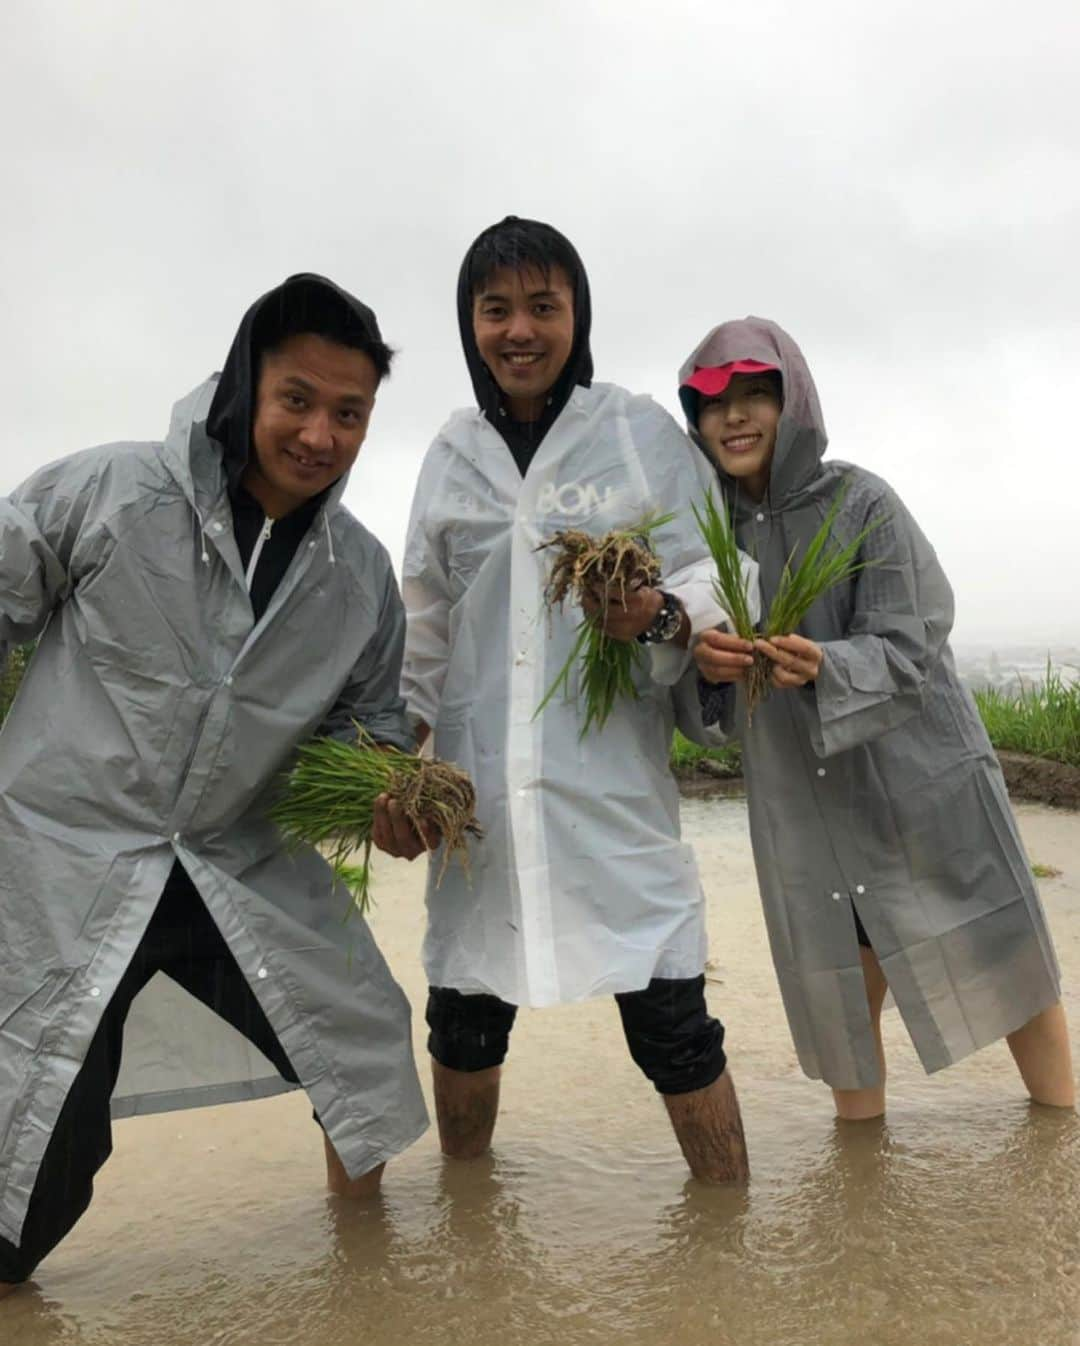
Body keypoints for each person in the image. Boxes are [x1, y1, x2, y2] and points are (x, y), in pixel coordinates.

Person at [0, 274, 429, 1298]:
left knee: (358, 1038)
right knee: (35, 1147)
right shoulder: (109, 491)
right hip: (72, 854)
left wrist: (393, 802)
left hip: (232, 863)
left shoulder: (359, 577)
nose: (320, 433)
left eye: (350, 412)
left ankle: (371, 1275)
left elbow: (368, 734)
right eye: (298, 399)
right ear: (246, 385)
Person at [382, 216, 755, 1183]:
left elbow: (720, 579)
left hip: (611, 794)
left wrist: (659, 615)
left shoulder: (634, 435)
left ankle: (730, 1228)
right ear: (470, 324)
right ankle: (469, 1218)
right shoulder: (451, 455)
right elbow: (423, 624)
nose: (520, 330)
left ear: (576, 315)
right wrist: (393, 755)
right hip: (481, 796)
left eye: (542, 306)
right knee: (463, 1023)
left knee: (675, 1026)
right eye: (496, 308)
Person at [680, 315, 1075, 1119]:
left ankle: (1063, 1136)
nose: (736, 416)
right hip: (805, 797)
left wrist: (831, 664)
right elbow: (701, 707)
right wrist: (708, 671)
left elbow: (917, 629)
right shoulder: (703, 535)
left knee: (1006, 961)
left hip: (919, 781)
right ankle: (859, 1183)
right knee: (841, 985)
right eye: (715, 401)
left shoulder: (861, 501)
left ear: (794, 404)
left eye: (757, 393)